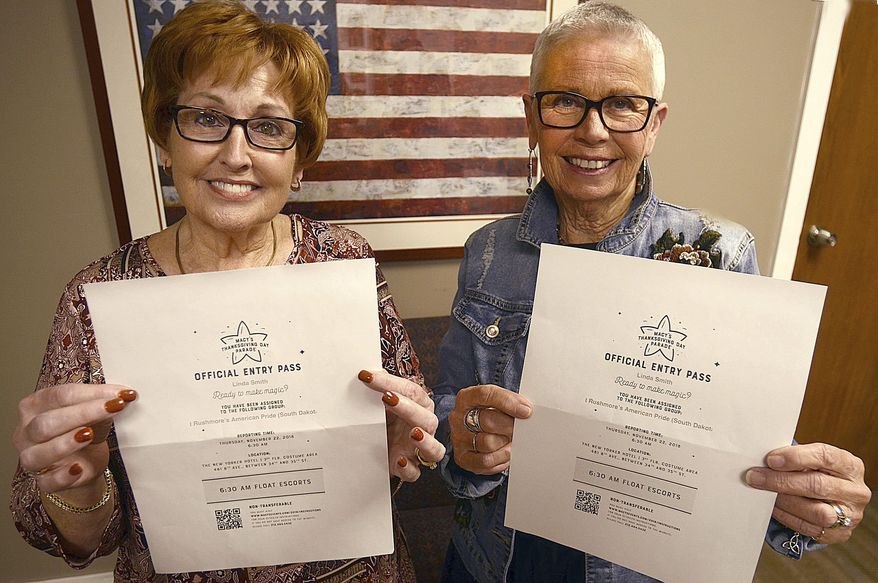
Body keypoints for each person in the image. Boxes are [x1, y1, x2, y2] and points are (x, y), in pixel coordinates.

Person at [432, 3, 872, 582]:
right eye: (565, 101)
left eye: (621, 104)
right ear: (532, 117)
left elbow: (743, 456)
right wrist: (464, 444)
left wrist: (804, 507)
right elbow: (447, 417)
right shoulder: (488, 254)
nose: (593, 130)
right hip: (496, 559)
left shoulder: (720, 256)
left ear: (655, 123)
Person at [10, 2, 444, 581]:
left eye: (268, 127)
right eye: (207, 118)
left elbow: (399, 446)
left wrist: (397, 444)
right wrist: (80, 483)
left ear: (298, 160)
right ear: (166, 139)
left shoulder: (345, 260)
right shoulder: (99, 295)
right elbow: (77, 539)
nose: (236, 155)